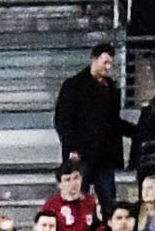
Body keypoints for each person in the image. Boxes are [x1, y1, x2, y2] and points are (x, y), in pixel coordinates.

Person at [54, 45, 129, 207]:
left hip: (105, 156)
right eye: (105, 63)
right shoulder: (72, 86)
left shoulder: (111, 88)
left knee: (109, 203)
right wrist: (72, 148)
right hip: (82, 156)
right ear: (94, 60)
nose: (108, 67)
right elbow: (63, 120)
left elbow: (114, 122)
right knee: (78, 203)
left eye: (110, 63)